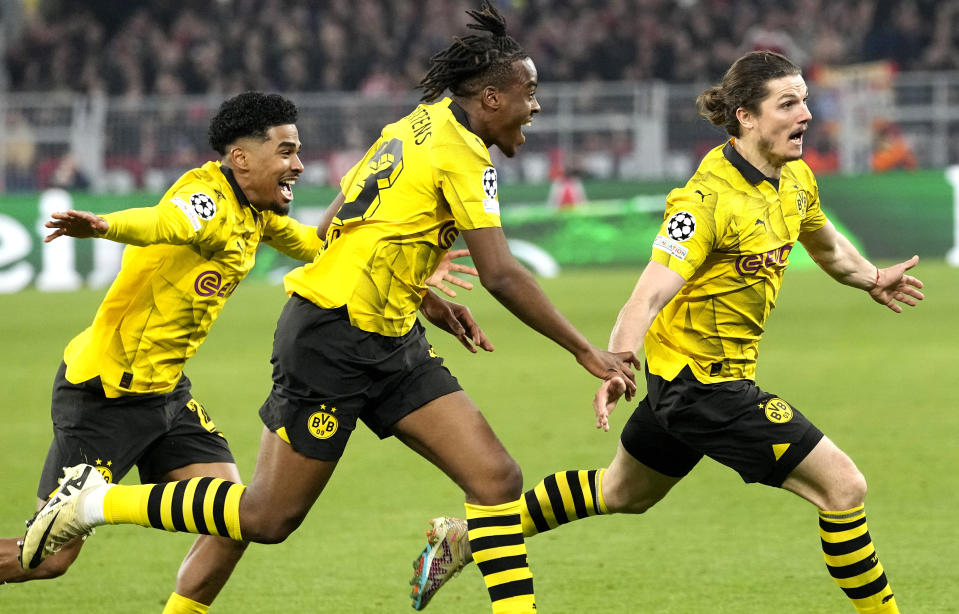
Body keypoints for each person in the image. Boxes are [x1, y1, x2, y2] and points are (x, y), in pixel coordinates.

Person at [19, 5, 639, 614]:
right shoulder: (459, 154)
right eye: (530, 92)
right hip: (328, 340)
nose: (537, 105)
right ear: (493, 98)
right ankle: (92, 504)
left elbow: (342, 218)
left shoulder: (414, 124)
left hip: (390, 339)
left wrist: (415, 287)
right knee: (263, 517)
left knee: (496, 479)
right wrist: (587, 349)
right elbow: (501, 274)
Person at [407, 51, 923, 614]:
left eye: (804, 100)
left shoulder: (795, 178)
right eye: (788, 103)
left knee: (621, 493)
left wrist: (872, 277)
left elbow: (825, 245)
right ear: (746, 116)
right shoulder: (706, 201)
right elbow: (647, 295)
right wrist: (617, 360)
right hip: (707, 391)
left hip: (689, 382)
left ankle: (465, 537)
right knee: (843, 488)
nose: (805, 113)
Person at [3, 90, 475, 614]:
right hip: (105, 394)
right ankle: (82, 508)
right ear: (241, 158)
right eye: (287, 151)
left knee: (236, 519)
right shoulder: (206, 201)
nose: (299, 164)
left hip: (165, 395)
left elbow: (326, 246)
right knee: (46, 559)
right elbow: (167, 222)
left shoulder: (255, 213)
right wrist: (107, 226)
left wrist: (417, 273)